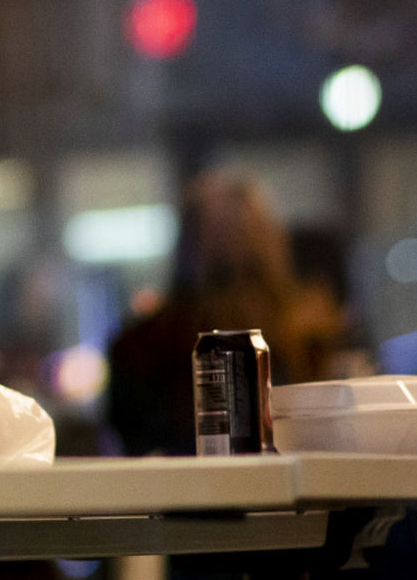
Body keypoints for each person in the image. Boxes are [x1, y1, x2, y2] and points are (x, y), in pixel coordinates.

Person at [102, 172, 348, 456]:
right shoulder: (309, 333)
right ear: (271, 241)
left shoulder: (140, 344)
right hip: (294, 492)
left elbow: (135, 443)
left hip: (181, 493)